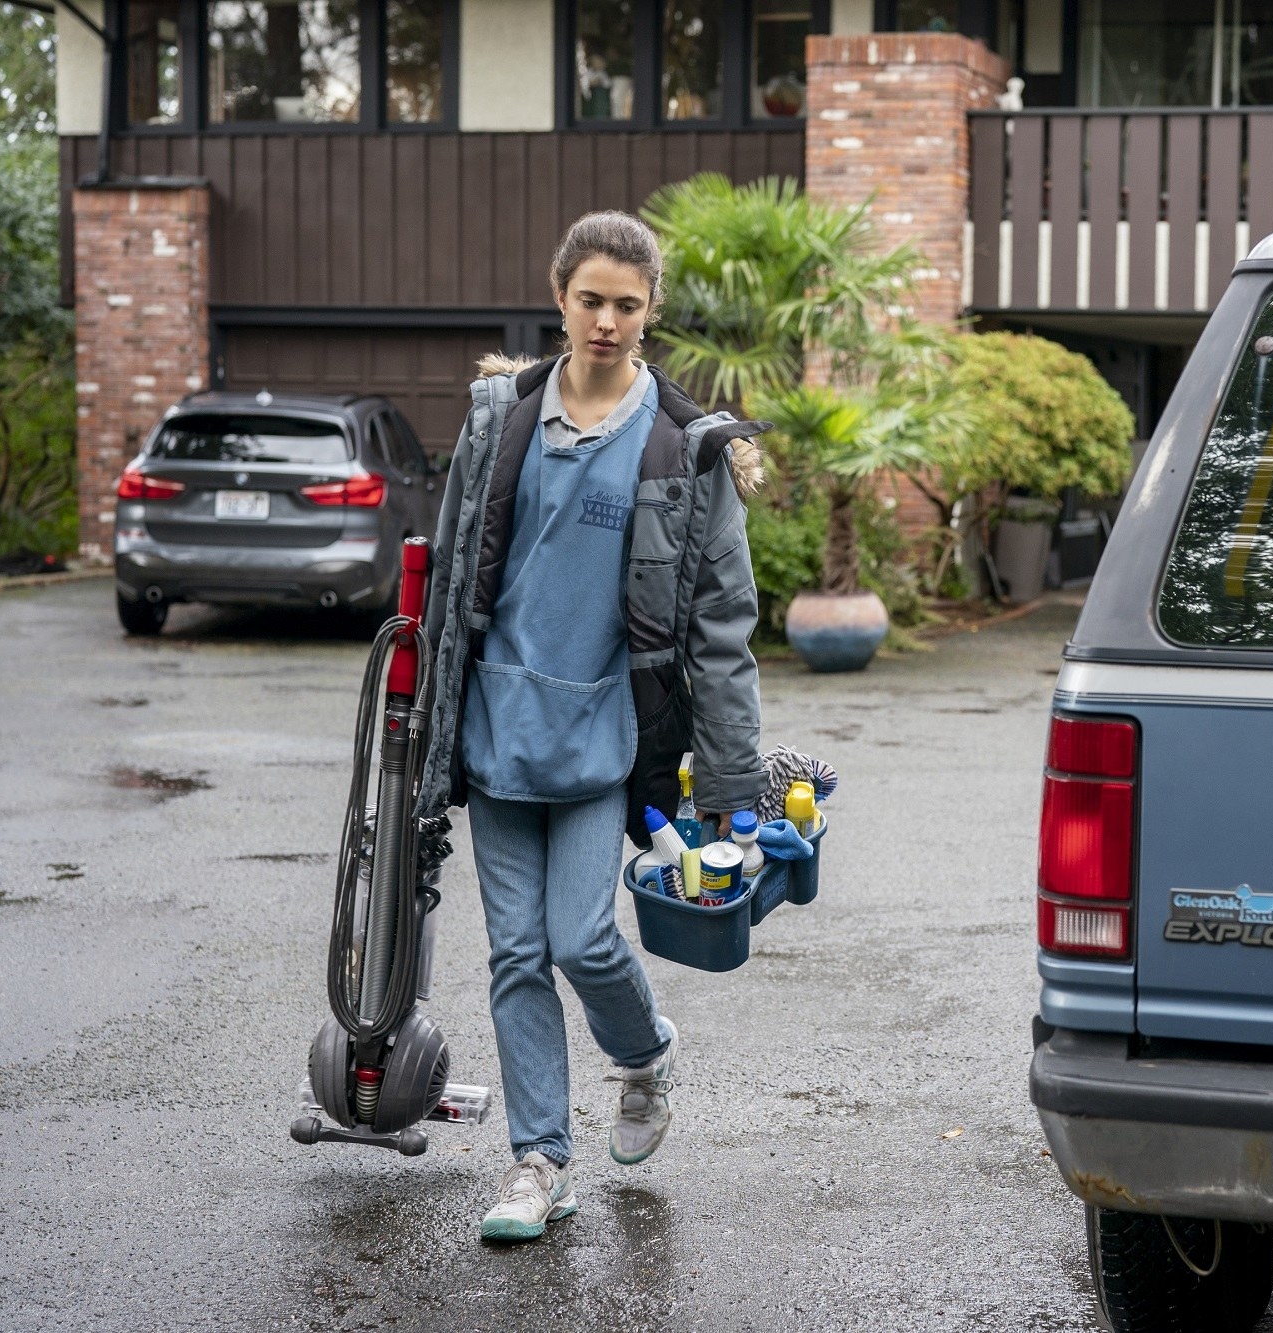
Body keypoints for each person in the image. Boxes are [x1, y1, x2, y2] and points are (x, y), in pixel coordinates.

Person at [416, 211, 771, 1242]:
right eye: (590, 300)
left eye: (627, 303)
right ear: (559, 297)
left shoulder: (683, 447)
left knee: (579, 938)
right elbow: (447, 590)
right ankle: (539, 1163)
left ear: (650, 310)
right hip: (495, 730)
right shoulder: (501, 422)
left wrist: (731, 791)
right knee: (515, 954)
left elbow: (721, 633)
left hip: (606, 743)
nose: (607, 320)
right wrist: (420, 734)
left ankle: (646, 1050)